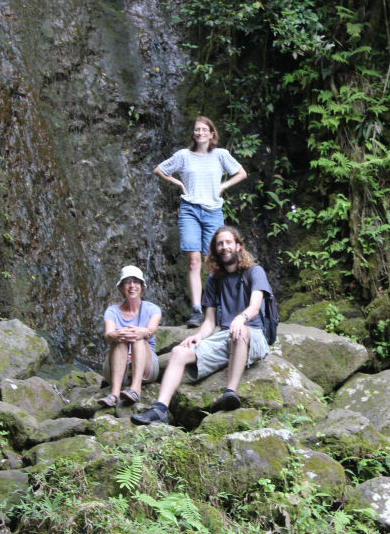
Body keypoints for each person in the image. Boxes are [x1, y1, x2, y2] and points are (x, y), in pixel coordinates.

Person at [131, 226, 271, 425]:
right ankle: (160, 409)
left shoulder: (254, 272)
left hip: (253, 334)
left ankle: (230, 392)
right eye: (220, 244)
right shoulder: (214, 279)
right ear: (215, 250)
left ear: (238, 246)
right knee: (179, 352)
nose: (224, 247)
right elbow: (209, 322)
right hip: (226, 336)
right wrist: (198, 336)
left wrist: (241, 318)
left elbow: (255, 306)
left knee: (239, 333)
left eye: (228, 242)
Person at [154, 116, 247, 328]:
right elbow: (159, 169)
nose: (200, 133)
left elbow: (241, 173)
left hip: (213, 211)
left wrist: (224, 187)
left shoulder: (221, 155)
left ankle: (217, 308)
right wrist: (178, 182)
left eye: (205, 129)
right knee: (193, 260)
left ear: (212, 133)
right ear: (193, 134)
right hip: (190, 210)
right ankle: (197, 310)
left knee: (214, 261)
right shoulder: (183, 156)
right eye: (197, 130)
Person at [99, 265, 162, 408]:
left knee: (138, 336)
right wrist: (116, 334)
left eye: (136, 282)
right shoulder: (112, 311)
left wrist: (142, 332)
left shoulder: (153, 309)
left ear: (142, 286)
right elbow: (108, 336)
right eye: (127, 282)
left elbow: (151, 329)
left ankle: (135, 389)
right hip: (117, 369)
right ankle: (114, 394)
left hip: (147, 368)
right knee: (118, 339)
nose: (132, 286)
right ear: (121, 288)